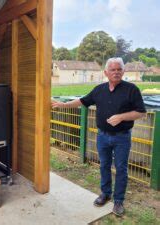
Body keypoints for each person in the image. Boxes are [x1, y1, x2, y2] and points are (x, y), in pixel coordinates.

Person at [52, 57, 146, 216]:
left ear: (123, 71)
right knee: (104, 165)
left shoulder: (132, 89)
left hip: (122, 137)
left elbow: (141, 113)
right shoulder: (99, 89)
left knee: (121, 169)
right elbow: (82, 101)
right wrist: (63, 105)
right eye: (113, 70)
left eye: (119, 69)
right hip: (102, 136)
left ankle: (118, 201)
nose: (116, 72)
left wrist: (122, 117)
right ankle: (105, 194)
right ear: (106, 72)